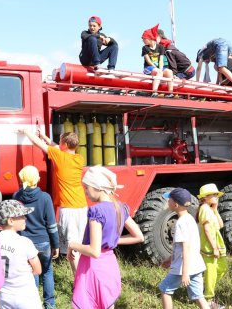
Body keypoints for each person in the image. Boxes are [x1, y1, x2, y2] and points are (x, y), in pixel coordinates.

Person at [69, 166, 144, 309]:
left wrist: (73, 245)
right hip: (109, 264)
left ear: (98, 187)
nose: (85, 192)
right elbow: (139, 236)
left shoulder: (96, 210)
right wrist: (113, 241)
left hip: (92, 267)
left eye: (87, 187)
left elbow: (94, 251)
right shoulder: (120, 207)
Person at [18, 129, 87, 276]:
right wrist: (44, 136)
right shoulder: (78, 158)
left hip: (69, 208)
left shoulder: (59, 156)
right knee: (79, 244)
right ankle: (84, 274)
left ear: (65, 144)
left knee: (72, 246)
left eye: (61, 140)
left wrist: (26, 132)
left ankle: (79, 280)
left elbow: (38, 144)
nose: (58, 143)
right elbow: (56, 147)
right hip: (82, 206)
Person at [13, 165, 60, 309]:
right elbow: (51, 225)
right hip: (43, 242)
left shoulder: (17, 196)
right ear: (37, 180)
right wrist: (56, 245)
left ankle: (33, 303)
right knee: (46, 271)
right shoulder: (45, 197)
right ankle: (50, 304)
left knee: (31, 272)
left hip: (25, 242)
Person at [159, 188, 209, 309]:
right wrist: (170, 259)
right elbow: (186, 247)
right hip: (197, 265)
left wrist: (185, 273)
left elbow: (185, 249)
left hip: (182, 268)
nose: (168, 202)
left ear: (175, 204)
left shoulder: (181, 223)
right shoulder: (190, 218)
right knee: (198, 296)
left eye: (169, 200)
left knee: (165, 290)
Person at [0, 199, 43, 309]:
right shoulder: (24, 242)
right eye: (21, 216)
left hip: (5, 296)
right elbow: (38, 270)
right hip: (26, 296)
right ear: (11, 221)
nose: (25, 218)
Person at [196, 184, 228, 307]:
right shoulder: (204, 208)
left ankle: (206, 289)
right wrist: (214, 247)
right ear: (205, 197)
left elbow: (220, 225)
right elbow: (207, 229)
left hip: (215, 244)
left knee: (222, 268)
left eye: (216, 195)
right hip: (209, 246)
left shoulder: (209, 209)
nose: (216, 197)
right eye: (213, 195)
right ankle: (208, 299)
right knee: (211, 271)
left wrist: (215, 209)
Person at [141, 24, 174, 97]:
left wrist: (161, 69)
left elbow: (161, 60)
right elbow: (148, 61)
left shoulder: (160, 47)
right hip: (149, 68)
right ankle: (154, 91)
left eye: (144, 38)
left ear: (149, 38)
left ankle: (170, 92)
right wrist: (158, 70)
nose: (143, 40)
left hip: (159, 67)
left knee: (169, 72)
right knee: (158, 72)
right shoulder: (145, 48)